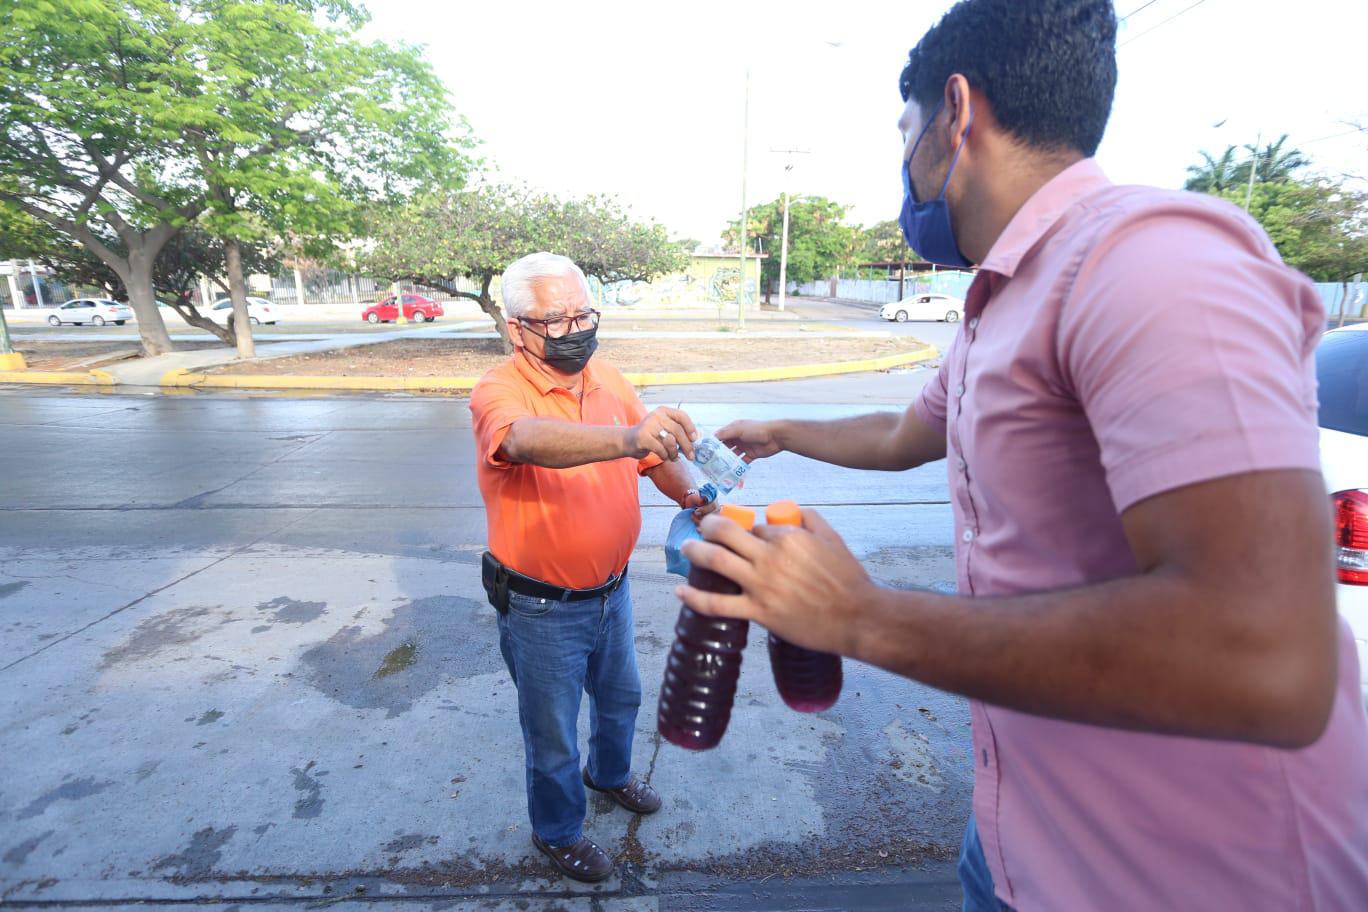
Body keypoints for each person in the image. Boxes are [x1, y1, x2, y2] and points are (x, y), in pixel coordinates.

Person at [678, 1, 1368, 909]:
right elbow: (901, 434)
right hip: (1023, 843)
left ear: (955, 114)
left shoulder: (1148, 262)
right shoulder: (1002, 299)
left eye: (904, 130)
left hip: (1192, 874)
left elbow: (1265, 654)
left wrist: (860, 616)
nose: (903, 161)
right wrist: (784, 431)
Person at [470, 252, 712, 883]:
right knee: (552, 733)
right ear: (516, 327)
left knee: (620, 697)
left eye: (583, 313)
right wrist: (629, 436)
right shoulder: (499, 390)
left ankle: (609, 776)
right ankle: (558, 831)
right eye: (557, 319)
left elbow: (652, 457)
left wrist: (693, 495)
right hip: (542, 604)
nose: (576, 329)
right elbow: (522, 440)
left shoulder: (607, 378)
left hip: (612, 589)